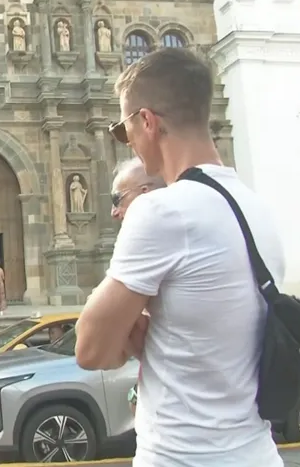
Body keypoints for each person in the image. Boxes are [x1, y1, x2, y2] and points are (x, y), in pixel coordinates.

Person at [75, 48, 285, 466]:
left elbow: (91, 349)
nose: (129, 142)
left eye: (124, 129)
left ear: (147, 121)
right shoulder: (256, 207)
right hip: (257, 452)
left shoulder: (162, 211)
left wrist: (133, 336)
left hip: (183, 456)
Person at [110, 157, 167, 415]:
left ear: (145, 195)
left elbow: (91, 351)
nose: (114, 212)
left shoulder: (151, 244)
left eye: (117, 199)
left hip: (185, 443)